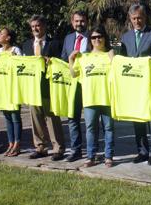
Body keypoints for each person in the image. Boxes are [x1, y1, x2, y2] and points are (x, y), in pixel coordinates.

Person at [120, 4, 151, 165]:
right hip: (133, 85)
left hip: (149, 83)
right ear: (130, 19)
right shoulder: (126, 37)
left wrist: (139, 64)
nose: (137, 21)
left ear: (145, 18)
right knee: (137, 118)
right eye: (134, 18)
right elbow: (122, 60)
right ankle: (142, 151)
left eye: (140, 18)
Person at [69, 26, 115, 167]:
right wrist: (71, 59)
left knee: (109, 129)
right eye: (93, 37)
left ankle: (109, 156)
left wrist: (113, 58)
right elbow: (74, 74)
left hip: (107, 98)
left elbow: (117, 73)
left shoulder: (110, 55)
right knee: (91, 129)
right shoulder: (84, 57)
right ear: (90, 40)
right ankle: (91, 156)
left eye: (99, 36)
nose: (97, 40)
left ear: (104, 38)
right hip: (90, 99)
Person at [22, 15, 65, 161]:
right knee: (35, 119)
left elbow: (61, 63)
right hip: (32, 87)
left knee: (52, 118)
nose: (35, 28)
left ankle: (58, 148)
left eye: (38, 25)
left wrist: (51, 61)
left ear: (44, 26)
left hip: (49, 87)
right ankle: (40, 147)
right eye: (33, 26)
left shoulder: (55, 44)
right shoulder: (26, 45)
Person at [61, 10, 91, 162]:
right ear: (72, 22)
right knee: (72, 118)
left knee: (91, 119)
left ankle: (92, 151)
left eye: (82, 21)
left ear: (87, 21)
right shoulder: (68, 38)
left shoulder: (94, 37)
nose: (79, 24)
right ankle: (76, 150)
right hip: (72, 84)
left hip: (89, 84)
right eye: (77, 21)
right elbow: (62, 60)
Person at [0, 27, 23, 157]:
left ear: (8, 37)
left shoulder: (15, 50)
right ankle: (10, 143)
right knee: (7, 116)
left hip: (13, 88)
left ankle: (17, 143)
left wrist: (15, 58)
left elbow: (21, 65)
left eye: (1, 34)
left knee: (15, 116)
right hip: (2, 89)